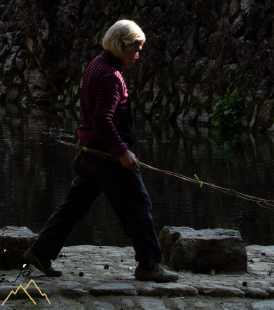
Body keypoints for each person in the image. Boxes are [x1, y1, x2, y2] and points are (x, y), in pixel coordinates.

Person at [26, 19, 178, 282]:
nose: (138, 55)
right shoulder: (110, 76)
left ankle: (40, 252)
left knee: (75, 204)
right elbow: (103, 120)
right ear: (122, 46)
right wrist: (121, 152)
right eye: (137, 49)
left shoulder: (98, 64)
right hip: (106, 154)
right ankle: (149, 265)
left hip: (89, 151)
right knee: (138, 205)